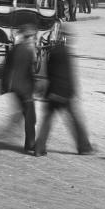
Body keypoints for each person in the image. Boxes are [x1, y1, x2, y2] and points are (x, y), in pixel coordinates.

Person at [34, 28, 93, 156]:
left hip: (52, 92)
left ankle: (39, 148)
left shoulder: (52, 52)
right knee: (75, 121)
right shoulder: (67, 53)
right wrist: (74, 92)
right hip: (65, 93)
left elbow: (47, 72)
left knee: (47, 121)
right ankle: (84, 147)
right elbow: (70, 75)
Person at [0, 22, 38, 153]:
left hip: (15, 87)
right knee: (30, 116)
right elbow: (29, 73)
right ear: (29, 37)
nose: (34, 39)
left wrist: (4, 87)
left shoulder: (15, 48)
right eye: (33, 37)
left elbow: (5, 68)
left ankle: (12, 132)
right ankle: (30, 144)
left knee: (26, 114)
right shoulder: (27, 51)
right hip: (23, 88)